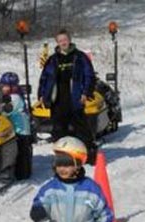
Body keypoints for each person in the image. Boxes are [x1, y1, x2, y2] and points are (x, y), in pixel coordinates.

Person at [38, 29, 97, 164]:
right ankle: (63, 157)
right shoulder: (53, 59)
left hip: (75, 99)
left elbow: (89, 76)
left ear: (69, 40)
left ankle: (90, 155)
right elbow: (45, 78)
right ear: (57, 43)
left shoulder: (80, 57)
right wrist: (42, 94)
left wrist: (86, 93)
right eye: (60, 41)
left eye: (65, 40)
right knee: (59, 130)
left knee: (82, 129)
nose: (63, 43)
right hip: (58, 100)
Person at [0, 72, 33, 180]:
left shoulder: (16, 98)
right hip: (9, 129)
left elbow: (7, 110)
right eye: (5, 86)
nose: (8, 88)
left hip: (20, 130)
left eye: (12, 86)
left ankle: (24, 171)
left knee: (22, 152)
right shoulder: (2, 97)